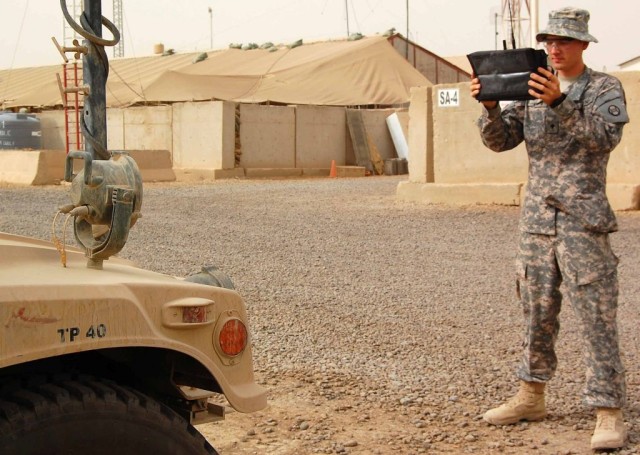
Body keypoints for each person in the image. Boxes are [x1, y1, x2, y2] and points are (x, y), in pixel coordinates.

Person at [470, 7, 629, 451]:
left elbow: (603, 139)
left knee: (597, 318)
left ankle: (608, 410)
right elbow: (501, 142)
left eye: (564, 41)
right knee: (537, 315)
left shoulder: (603, 88)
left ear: (583, 44)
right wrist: (490, 108)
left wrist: (560, 102)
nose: (554, 49)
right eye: (548, 42)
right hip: (537, 223)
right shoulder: (529, 87)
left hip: (583, 221)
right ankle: (531, 396)